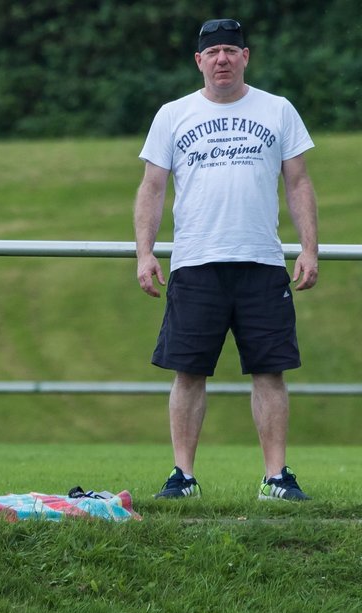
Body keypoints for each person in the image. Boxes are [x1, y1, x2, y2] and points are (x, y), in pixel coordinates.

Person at [134, 17, 318, 501]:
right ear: (199, 61)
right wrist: (145, 253)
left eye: (230, 51)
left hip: (260, 261)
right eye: (212, 52)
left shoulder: (277, 110)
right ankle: (182, 476)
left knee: (269, 369)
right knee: (188, 370)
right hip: (196, 261)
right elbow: (152, 188)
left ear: (245, 57)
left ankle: (276, 477)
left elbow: (298, 182)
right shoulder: (173, 115)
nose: (222, 59)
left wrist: (310, 248)